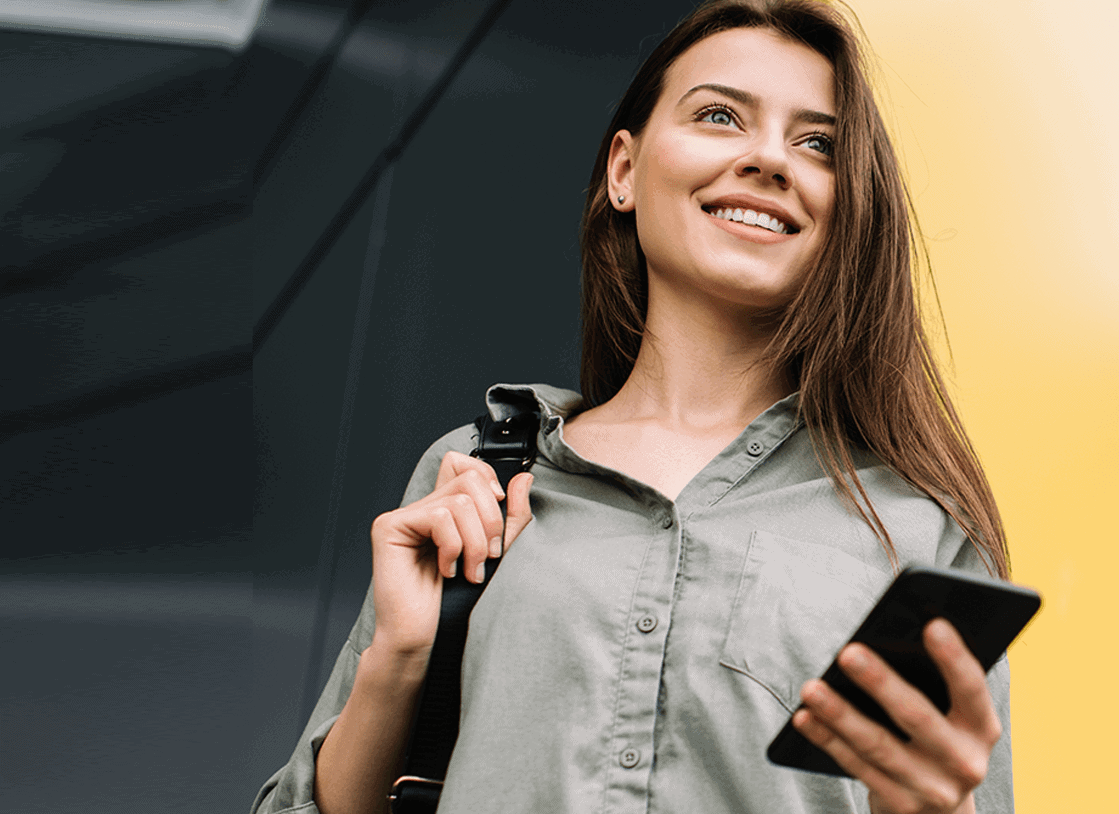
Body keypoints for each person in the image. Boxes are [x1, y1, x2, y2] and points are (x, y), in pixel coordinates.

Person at [252, 1, 1015, 812]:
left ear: (847, 209)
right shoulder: (476, 477)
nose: (768, 158)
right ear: (624, 169)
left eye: (818, 143)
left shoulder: (918, 534)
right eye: (720, 115)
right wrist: (402, 655)